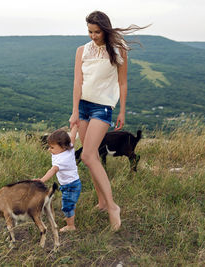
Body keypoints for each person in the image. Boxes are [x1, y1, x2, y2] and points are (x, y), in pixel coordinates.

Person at [68, 11, 147, 230]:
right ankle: (102, 202)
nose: (93, 36)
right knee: (90, 156)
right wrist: (74, 111)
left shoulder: (118, 50)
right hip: (82, 107)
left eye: (97, 32)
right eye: (90, 32)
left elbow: (122, 83)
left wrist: (121, 111)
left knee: (87, 155)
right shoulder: (81, 51)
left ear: (106, 29)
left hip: (102, 108)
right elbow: (77, 82)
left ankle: (113, 206)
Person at [37, 127, 81, 232]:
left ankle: (71, 226)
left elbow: (53, 170)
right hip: (72, 183)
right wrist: (75, 126)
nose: (49, 150)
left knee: (67, 205)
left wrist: (42, 180)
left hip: (70, 186)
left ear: (63, 147)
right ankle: (70, 217)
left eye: (52, 147)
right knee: (70, 203)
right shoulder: (69, 147)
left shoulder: (62, 160)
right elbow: (73, 136)